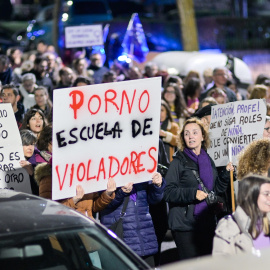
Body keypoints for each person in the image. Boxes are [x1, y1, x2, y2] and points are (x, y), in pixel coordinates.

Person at [164, 117, 233, 260]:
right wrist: (192, 193)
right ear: (183, 138)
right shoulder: (178, 162)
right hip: (184, 225)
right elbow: (167, 191)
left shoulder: (207, 159)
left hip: (205, 222)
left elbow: (215, 190)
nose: (190, 136)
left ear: (203, 136)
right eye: (187, 133)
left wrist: (226, 174)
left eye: (195, 132)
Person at [100, 172, 165, 267]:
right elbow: (100, 205)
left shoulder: (141, 169)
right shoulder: (106, 169)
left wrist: (158, 186)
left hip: (145, 239)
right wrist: (120, 193)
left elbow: (154, 199)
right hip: (122, 238)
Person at [212, 174, 270, 255]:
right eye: (266, 194)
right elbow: (221, 264)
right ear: (250, 196)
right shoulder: (228, 227)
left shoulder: (266, 222)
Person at [19, 129, 39, 196]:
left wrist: (32, 172)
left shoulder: (38, 165)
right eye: (26, 144)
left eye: (32, 144)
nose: (30, 148)